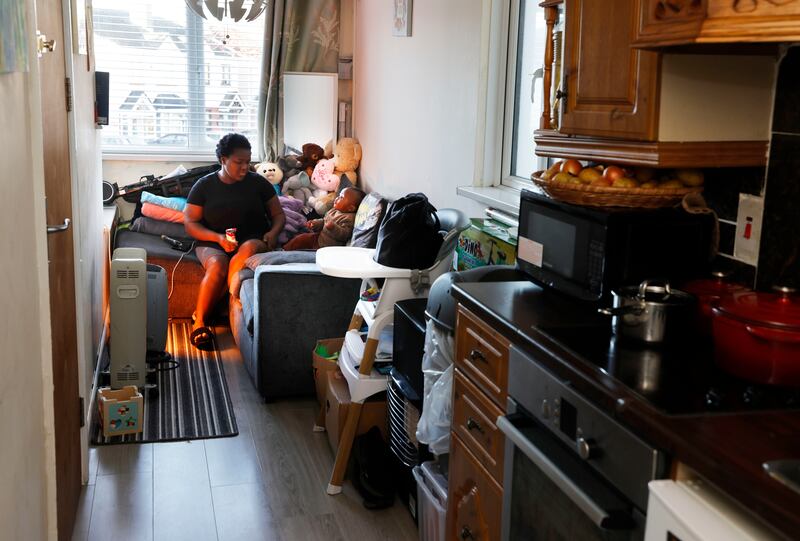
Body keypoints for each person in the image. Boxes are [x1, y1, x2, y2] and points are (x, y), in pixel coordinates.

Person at [184, 133, 285, 349]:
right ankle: (200, 321)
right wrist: (218, 238)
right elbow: (190, 223)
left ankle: (206, 310)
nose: (245, 167)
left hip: (252, 237)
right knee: (218, 265)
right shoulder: (204, 186)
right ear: (223, 160)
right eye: (239, 162)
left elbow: (278, 215)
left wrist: (274, 233)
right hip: (213, 239)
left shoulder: (258, 183)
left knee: (248, 249)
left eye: (248, 162)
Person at [283, 187, 365, 250]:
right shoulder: (334, 210)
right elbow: (324, 221)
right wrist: (315, 223)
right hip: (319, 238)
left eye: (341, 197)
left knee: (304, 244)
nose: (337, 198)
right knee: (300, 238)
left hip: (327, 247)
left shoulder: (349, 218)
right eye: (339, 195)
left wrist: (333, 227)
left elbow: (344, 235)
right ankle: (283, 250)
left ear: (350, 208)